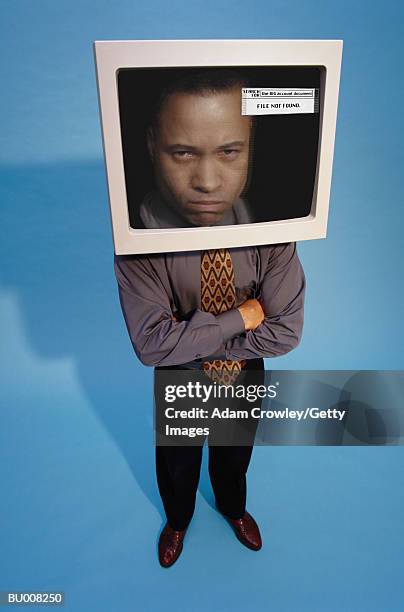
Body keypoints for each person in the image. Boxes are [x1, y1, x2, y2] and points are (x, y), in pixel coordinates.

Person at [114, 69, 306, 567]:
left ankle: (234, 509)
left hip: (243, 376)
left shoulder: (275, 233)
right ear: (152, 143)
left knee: (234, 456)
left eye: (228, 151)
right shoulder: (137, 246)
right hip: (180, 379)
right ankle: (178, 522)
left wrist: (193, 337)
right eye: (182, 152)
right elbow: (152, 348)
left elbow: (286, 331)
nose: (206, 181)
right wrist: (241, 319)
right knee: (177, 466)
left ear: (251, 148)